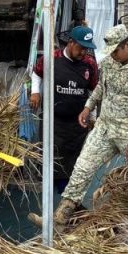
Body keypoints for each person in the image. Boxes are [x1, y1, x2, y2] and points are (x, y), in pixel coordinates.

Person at [40, 25, 128, 228]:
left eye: (116, 50)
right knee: (82, 167)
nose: (113, 55)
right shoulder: (109, 63)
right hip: (104, 128)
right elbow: (100, 88)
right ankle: (61, 215)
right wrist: (88, 107)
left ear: (127, 46)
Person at [29, 26, 99, 191]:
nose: (83, 52)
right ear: (71, 42)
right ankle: (51, 188)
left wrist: (93, 116)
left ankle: (69, 191)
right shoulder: (52, 58)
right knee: (52, 156)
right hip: (54, 120)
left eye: (86, 48)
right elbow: (36, 73)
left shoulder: (89, 64)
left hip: (77, 122)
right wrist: (35, 92)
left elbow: (94, 91)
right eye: (81, 47)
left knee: (74, 159)